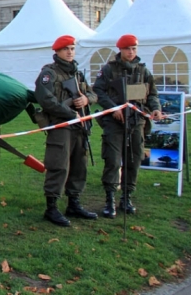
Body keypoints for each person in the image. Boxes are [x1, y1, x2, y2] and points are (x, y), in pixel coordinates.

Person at [93, 34, 161, 218]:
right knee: (113, 160)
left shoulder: (143, 71)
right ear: (120, 50)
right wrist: (112, 107)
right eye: (127, 49)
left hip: (137, 121)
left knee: (134, 160)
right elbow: (98, 90)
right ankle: (110, 200)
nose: (131, 52)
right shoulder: (109, 69)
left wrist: (155, 109)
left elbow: (152, 94)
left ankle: (127, 198)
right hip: (114, 123)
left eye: (134, 49)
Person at [34, 35, 98, 227]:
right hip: (61, 125)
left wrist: (86, 100)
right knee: (59, 165)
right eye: (66, 49)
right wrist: (69, 113)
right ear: (57, 52)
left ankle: (74, 203)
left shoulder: (77, 74)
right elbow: (45, 99)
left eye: (72, 48)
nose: (70, 52)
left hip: (79, 126)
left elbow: (92, 92)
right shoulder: (49, 73)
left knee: (80, 165)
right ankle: (51, 207)